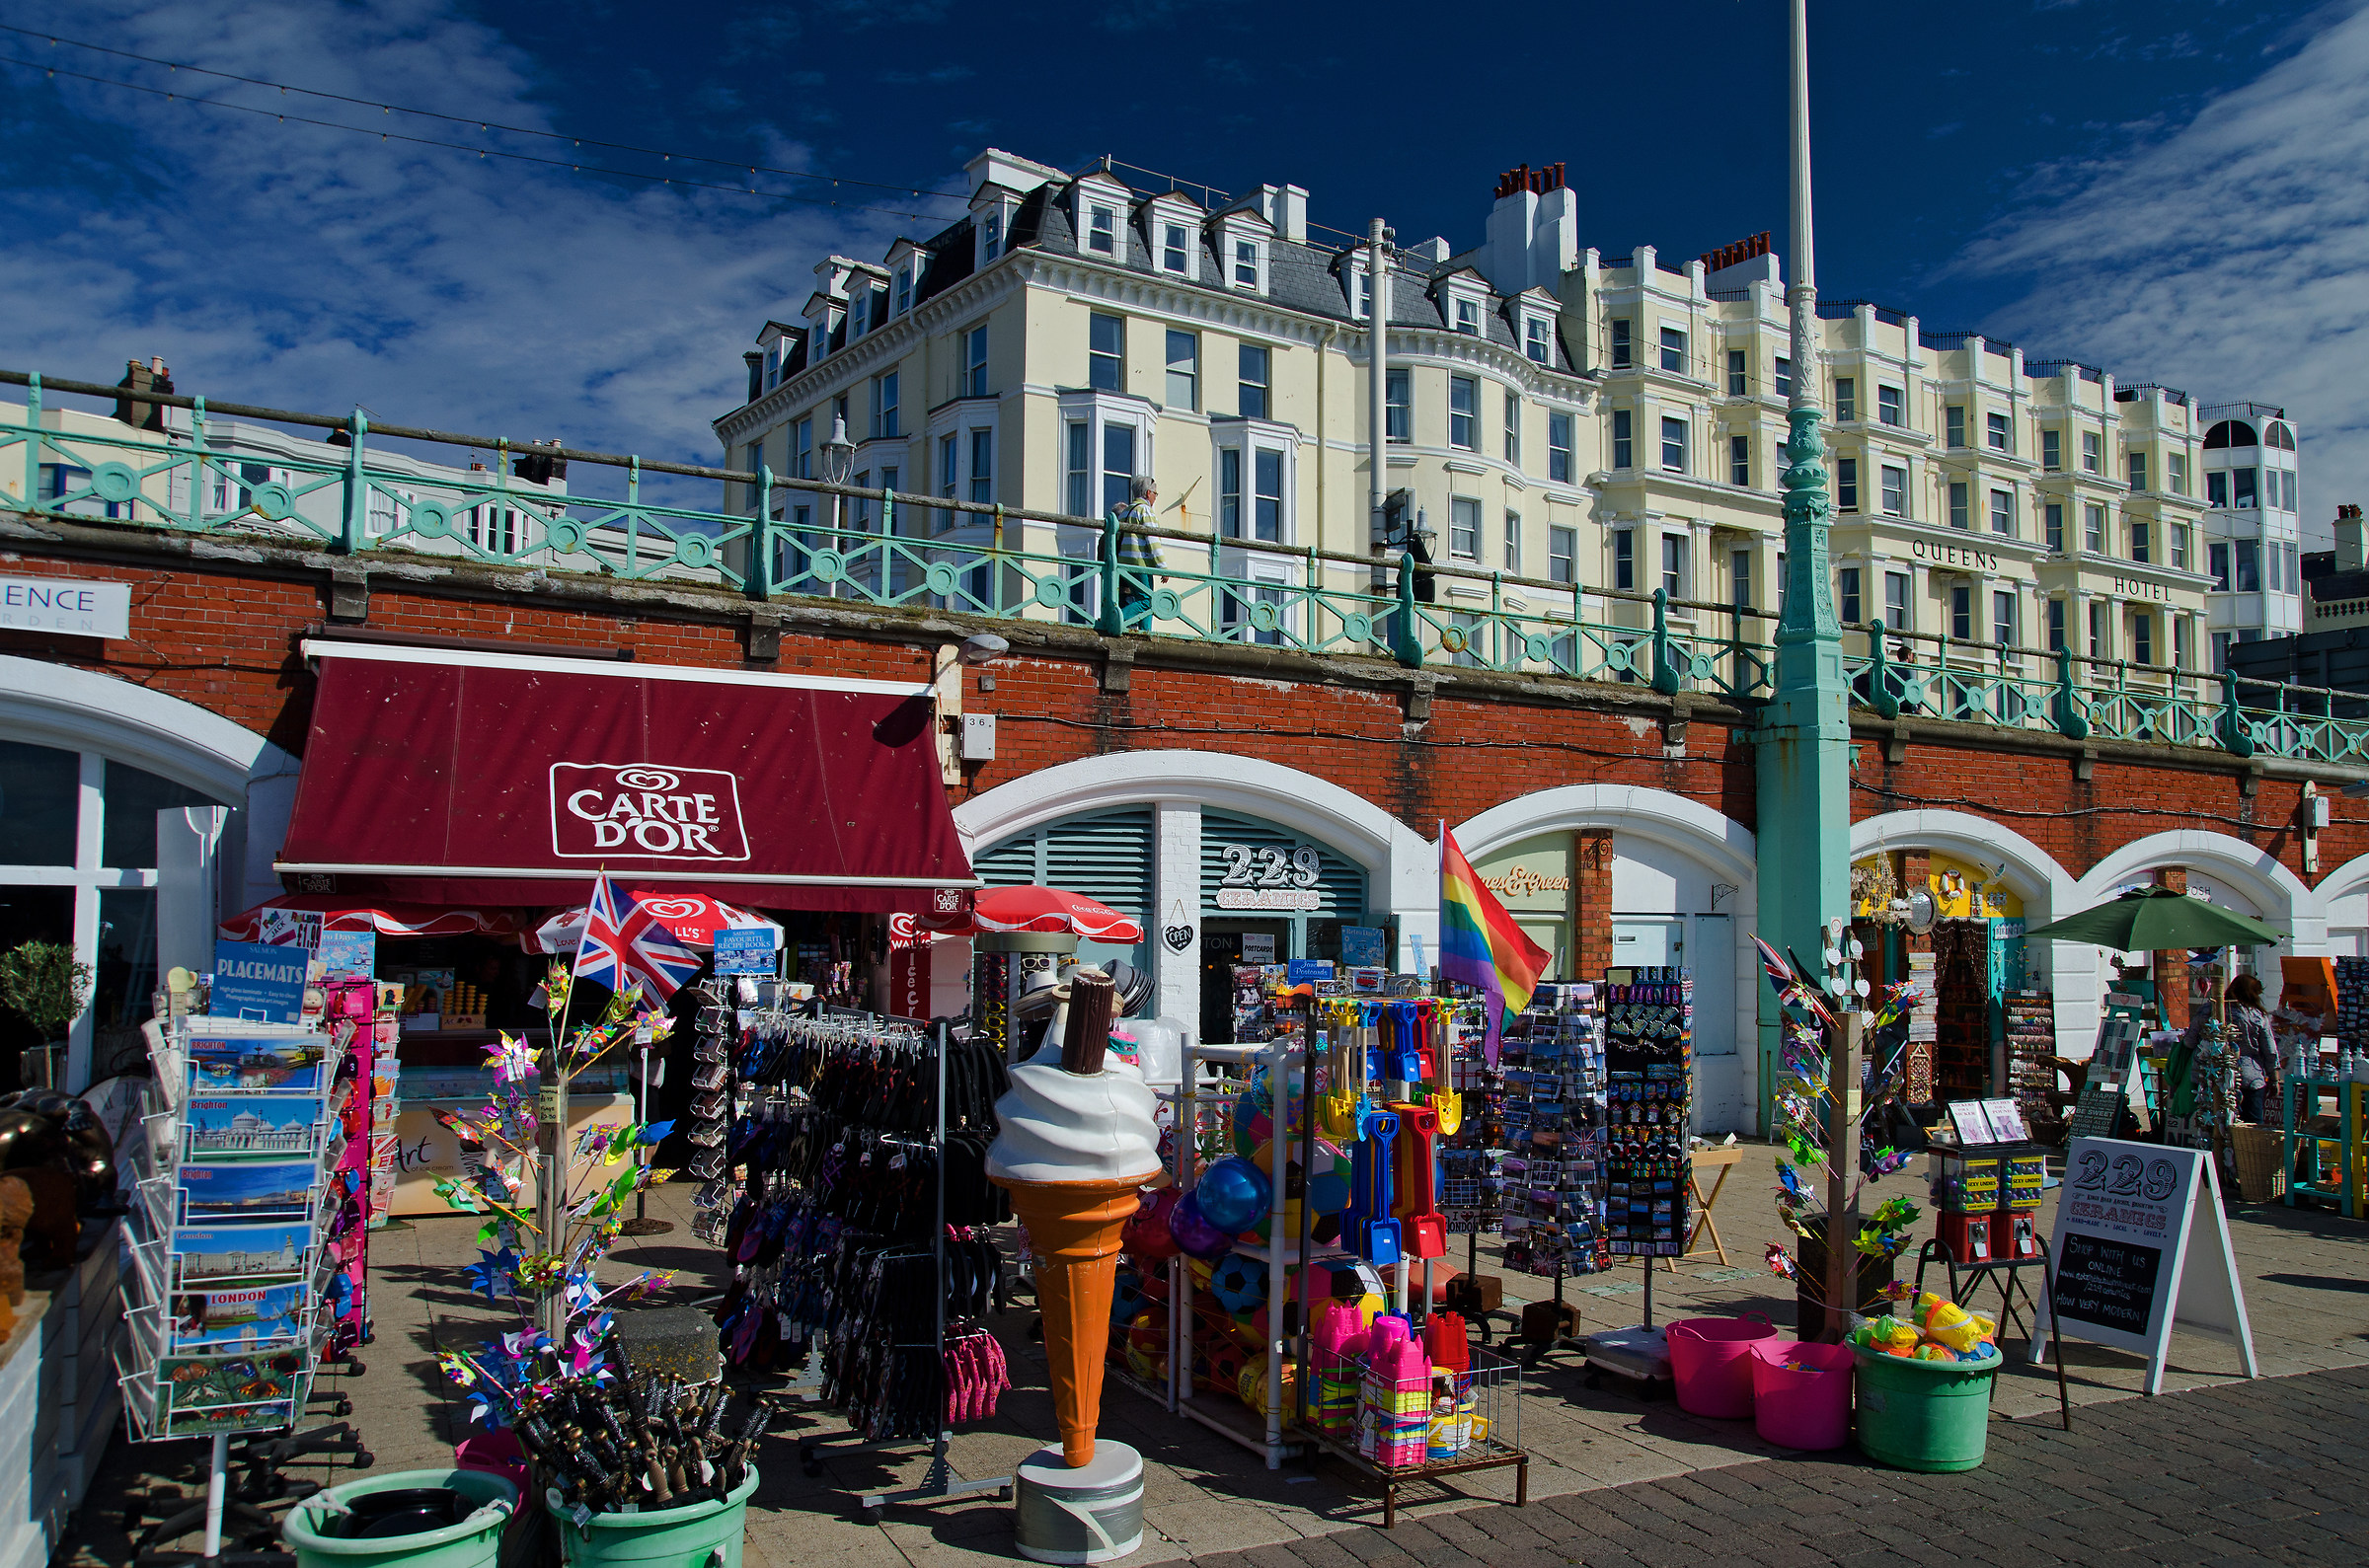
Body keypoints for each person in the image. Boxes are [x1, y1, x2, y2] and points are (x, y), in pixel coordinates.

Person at [2212, 973, 2277, 1123]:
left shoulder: (2214, 1011)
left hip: (2219, 1075)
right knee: (2253, 1124)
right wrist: (2274, 1078)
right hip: (2251, 1077)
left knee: (2222, 1124)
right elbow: (2270, 1050)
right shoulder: (2257, 1016)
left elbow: (2191, 1039)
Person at [1110, 476, 1164, 627]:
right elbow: (1152, 539)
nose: (1155, 498)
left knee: (1143, 599)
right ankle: (1116, 619)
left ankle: (1145, 632)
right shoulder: (1144, 510)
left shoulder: (1126, 511)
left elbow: (1118, 538)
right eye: (1155, 494)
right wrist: (1162, 566)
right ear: (1148, 493)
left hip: (1125, 562)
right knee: (1148, 601)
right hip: (1140, 563)